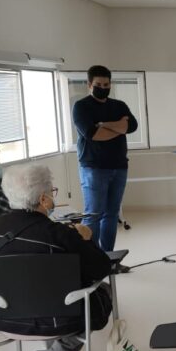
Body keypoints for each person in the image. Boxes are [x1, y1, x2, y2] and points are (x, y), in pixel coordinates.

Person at [0, 164, 113, 351]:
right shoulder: (59, 233)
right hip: (58, 321)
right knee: (103, 290)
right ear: (43, 199)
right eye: (52, 192)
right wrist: (86, 239)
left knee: (42, 295)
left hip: (6, 319)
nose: (53, 197)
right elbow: (102, 268)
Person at [72, 65, 138, 253]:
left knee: (111, 215)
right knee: (93, 215)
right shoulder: (81, 107)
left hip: (119, 166)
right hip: (94, 168)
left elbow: (131, 126)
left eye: (106, 84)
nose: (103, 87)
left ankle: (108, 257)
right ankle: (91, 258)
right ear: (89, 84)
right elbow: (93, 134)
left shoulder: (119, 105)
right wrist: (119, 128)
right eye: (98, 84)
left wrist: (103, 124)